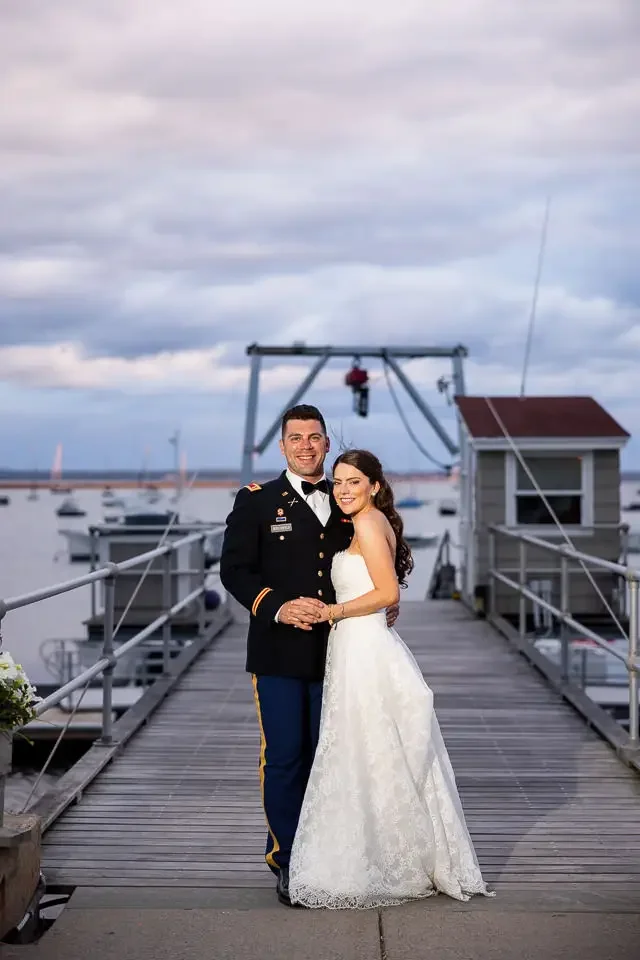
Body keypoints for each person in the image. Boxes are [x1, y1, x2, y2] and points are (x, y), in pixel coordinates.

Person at [288, 449, 494, 908]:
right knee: (369, 749)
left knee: (366, 746)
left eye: (353, 482)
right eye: (337, 482)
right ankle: (383, 851)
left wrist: (332, 611)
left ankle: (377, 858)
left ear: (374, 486)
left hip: (364, 648)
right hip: (356, 646)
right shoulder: (372, 521)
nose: (342, 489)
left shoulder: (365, 523)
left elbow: (385, 592)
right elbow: (381, 589)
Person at [219, 406, 399, 907]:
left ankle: (331, 853)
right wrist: (277, 607)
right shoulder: (256, 501)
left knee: (333, 756)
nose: (305, 446)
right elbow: (234, 570)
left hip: (341, 653)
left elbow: (380, 553)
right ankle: (288, 857)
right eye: (295, 438)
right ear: (281, 446)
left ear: (326, 444)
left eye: (315, 438)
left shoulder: (348, 499)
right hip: (277, 651)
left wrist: (392, 595)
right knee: (285, 757)